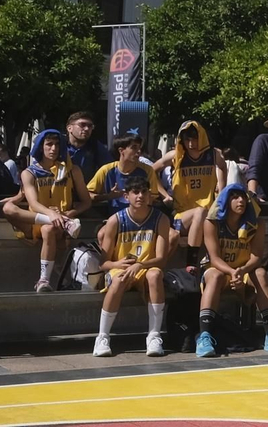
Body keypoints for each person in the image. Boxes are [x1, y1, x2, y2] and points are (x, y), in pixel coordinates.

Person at [198, 182, 268, 356]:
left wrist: (241, 271)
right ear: (225, 200)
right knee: (215, 276)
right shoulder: (212, 223)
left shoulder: (257, 224)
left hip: (244, 271)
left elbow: (256, 257)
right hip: (218, 270)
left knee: (261, 273)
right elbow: (214, 258)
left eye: (243, 197)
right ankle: (204, 336)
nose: (241, 201)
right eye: (235, 197)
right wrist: (232, 272)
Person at [93, 170, 171, 358]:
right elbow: (103, 264)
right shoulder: (115, 220)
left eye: (144, 192)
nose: (140, 196)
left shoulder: (161, 219)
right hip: (121, 269)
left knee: (155, 274)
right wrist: (118, 263)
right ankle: (102, 336)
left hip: (146, 269)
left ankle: (154, 335)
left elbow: (161, 259)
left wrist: (141, 265)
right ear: (126, 196)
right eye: (135, 192)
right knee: (118, 280)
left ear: (150, 195)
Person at [2, 128, 92, 291]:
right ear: (40, 147)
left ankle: (43, 280)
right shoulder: (29, 172)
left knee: (49, 229)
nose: (54, 149)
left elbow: (86, 202)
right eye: (49, 144)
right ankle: (64, 223)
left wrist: (66, 215)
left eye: (57, 145)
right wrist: (51, 214)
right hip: (39, 220)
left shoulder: (72, 170)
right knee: (8, 208)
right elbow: (34, 203)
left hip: (57, 225)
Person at [156, 120, 222, 251]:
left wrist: (221, 184)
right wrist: (163, 194)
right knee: (199, 212)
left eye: (195, 139)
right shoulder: (176, 156)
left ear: (202, 137)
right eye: (187, 140)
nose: (191, 144)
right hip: (182, 217)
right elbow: (150, 171)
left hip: (209, 216)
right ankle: (191, 262)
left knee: (205, 214)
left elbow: (222, 170)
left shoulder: (214, 155)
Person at [87, 134, 173, 226]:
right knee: (102, 235)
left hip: (143, 220)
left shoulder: (148, 170)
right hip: (116, 220)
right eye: (134, 148)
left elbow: (153, 197)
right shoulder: (106, 170)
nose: (139, 151)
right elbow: (88, 194)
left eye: (140, 148)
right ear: (121, 150)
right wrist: (108, 196)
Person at [63, 111, 113, 178]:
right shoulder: (59, 144)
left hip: (87, 187)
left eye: (90, 126)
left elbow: (110, 169)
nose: (87, 129)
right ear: (69, 128)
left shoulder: (95, 145)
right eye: (82, 125)